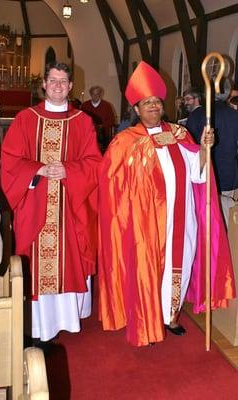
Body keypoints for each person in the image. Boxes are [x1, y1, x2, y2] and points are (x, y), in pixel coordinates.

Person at [98, 61, 236, 347]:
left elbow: (199, 173)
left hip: (181, 216)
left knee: (180, 264)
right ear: (136, 109)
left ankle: (170, 316)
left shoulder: (179, 134)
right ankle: (145, 319)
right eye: (146, 102)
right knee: (147, 270)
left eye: (157, 102)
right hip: (143, 223)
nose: (153, 106)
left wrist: (205, 150)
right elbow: (112, 186)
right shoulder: (124, 142)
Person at [1, 61, 102, 346]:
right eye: (53, 80)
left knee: (68, 257)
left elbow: (95, 163)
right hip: (34, 206)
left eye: (63, 81)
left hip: (69, 208)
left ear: (71, 87)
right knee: (33, 261)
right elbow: (10, 161)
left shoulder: (82, 122)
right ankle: (37, 326)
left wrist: (69, 170)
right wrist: (38, 169)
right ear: (44, 84)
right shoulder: (25, 119)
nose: (58, 86)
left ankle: (64, 321)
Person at [186, 81, 238, 227]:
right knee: (224, 218)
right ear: (228, 93)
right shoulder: (234, 115)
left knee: (202, 218)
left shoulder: (196, 115)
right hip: (228, 175)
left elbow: (189, 147)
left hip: (202, 173)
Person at [81, 85, 116, 152]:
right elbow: (81, 121)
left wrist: (102, 127)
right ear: (90, 94)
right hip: (88, 135)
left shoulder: (107, 106)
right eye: (93, 94)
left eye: (97, 94)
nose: (95, 96)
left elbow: (111, 120)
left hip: (103, 137)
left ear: (100, 94)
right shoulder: (85, 105)